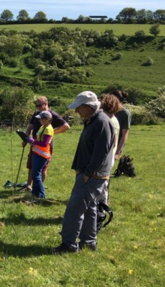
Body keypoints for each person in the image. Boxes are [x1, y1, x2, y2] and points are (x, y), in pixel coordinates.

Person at [52, 91, 115, 254]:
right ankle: (88, 242)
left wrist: (87, 173)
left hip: (92, 175)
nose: (76, 111)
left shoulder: (101, 122)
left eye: (78, 108)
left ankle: (68, 245)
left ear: (88, 106)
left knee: (75, 208)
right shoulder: (93, 120)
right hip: (91, 174)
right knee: (89, 208)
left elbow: (101, 153)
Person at [20, 96, 70, 192]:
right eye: (36, 105)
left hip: (45, 146)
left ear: (46, 104)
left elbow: (66, 126)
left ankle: (39, 188)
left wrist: (52, 133)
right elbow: (30, 126)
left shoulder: (51, 115)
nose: (37, 107)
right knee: (31, 165)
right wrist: (25, 139)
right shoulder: (37, 114)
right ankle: (28, 186)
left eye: (39, 105)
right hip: (34, 144)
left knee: (42, 167)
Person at [98, 94, 121, 204]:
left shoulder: (110, 121)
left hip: (105, 157)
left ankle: (101, 209)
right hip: (108, 156)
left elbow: (112, 143)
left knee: (102, 184)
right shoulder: (112, 119)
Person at [25, 110, 54, 199]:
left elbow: (45, 143)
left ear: (46, 119)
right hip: (37, 153)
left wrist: (34, 141)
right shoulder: (43, 127)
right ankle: (35, 193)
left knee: (36, 175)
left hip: (42, 155)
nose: (39, 121)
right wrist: (31, 139)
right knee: (34, 174)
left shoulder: (48, 129)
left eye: (41, 119)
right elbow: (37, 138)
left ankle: (41, 194)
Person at [110, 90, 131, 161]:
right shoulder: (109, 111)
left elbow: (125, 134)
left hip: (115, 147)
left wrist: (117, 152)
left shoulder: (125, 114)